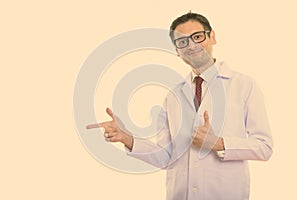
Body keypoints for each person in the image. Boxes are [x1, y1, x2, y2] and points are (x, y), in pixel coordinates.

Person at [87, 12, 273, 200]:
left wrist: (218, 144)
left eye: (197, 36)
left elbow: (264, 147)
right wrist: (127, 138)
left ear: (212, 37)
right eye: (182, 42)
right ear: (177, 50)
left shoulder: (244, 85)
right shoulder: (173, 96)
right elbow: (166, 157)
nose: (191, 45)